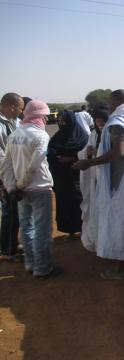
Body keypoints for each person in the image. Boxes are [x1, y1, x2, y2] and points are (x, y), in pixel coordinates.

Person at [73, 89, 124, 279]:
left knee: (121, 222)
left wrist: (89, 163)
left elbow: (118, 152)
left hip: (120, 184)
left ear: (115, 103)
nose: (109, 106)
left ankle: (118, 269)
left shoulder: (117, 123)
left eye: (110, 102)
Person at [0, 100, 63, 278]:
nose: (45, 119)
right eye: (44, 116)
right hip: (39, 188)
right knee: (42, 229)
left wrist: (13, 187)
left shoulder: (15, 135)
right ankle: (43, 268)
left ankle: (30, 263)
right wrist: (20, 185)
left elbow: (5, 165)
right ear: (40, 117)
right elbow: (35, 165)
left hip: (20, 192)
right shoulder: (41, 136)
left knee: (26, 227)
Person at [47, 110, 88, 241]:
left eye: (64, 121)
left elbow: (87, 154)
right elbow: (51, 153)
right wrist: (58, 159)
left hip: (78, 175)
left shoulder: (82, 137)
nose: (62, 124)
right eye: (59, 122)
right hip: (61, 176)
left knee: (79, 200)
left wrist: (71, 158)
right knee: (64, 202)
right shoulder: (57, 137)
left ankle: (84, 229)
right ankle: (70, 230)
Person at [77, 108, 108, 251]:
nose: (100, 124)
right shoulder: (94, 134)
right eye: (97, 121)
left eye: (103, 121)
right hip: (95, 179)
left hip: (107, 178)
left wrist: (98, 153)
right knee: (96, 207)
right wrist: (88, 152)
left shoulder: (111, 134)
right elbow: (85, 151)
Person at [0, 93, 24, 262]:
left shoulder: (15, 122)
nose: (21, 111)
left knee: (16, 212)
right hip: (5, 176)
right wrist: (4, 180)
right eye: (20, 107)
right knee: (9, 212)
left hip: (17, 173)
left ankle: (12, 245)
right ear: (11, 106)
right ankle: (8, 251)